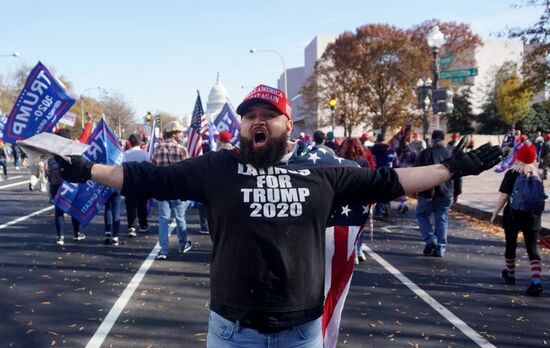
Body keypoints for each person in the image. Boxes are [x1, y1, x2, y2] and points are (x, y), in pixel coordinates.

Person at [56, 84, 501, 347]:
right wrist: (87, 168)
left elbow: (391, 182)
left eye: (268, 114)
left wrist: (454, 168)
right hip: (233, 329)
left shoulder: (323, 175)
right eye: (249, 115)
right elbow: (147, 178)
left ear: (288, 126)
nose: (256, 120)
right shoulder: (216, 168)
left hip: (302, 331)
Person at [491, 144, 544, 296]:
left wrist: (495, 213)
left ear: (518, 157)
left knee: (511, 245)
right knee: (532, 248)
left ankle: (510, 274)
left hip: (513, 214)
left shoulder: (512, 173)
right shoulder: (536, 175)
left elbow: (504, 196)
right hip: (533, 216)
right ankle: (536, 281)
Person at [151, 120, 192, 260]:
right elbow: (187, 171)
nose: (182, 134)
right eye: (180, 132)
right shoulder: (181, 149)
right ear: (174, 134)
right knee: (180, 218)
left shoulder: (157, 149)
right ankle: (183, 243)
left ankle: (163, 250)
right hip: (177, 188)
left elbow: (152, 169)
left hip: (162, 188)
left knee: (163, 219)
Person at [414, 130, 455, 257]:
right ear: (443, 139)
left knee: (422, 215)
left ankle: (430, 239)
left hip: (428, 191)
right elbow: (458, 174)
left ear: (432, 139)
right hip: (447, 191)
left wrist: (416, 189)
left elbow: (416, 172)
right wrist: (457, 191)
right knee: (442, 218)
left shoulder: (425, 153)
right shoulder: (450, 154)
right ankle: (440, 248)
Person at [45, 129, 86, 245]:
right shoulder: (74, 151)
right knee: (74, 209)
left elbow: (48, 170)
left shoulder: (52, 152)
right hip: (71, 184)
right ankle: (76, 233)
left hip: (55, 184)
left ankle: (60, 237)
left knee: (59, 211)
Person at [339, 137, 375, 264]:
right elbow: (370, 179)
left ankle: (353, 252)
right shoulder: (364, 161)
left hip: (346, 197)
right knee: (359, 225)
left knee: (348, 226)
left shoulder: (341, 161)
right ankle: (359, 251)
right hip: (362, 196)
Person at [123, 134, 150, 237]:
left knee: (130, 206)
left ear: (130, 142)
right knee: (142, 205)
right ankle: (143, 224)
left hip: (129, 182)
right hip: (142, 182)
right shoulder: (145, 154)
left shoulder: (125, 154)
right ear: (140, 142)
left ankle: (131, 226)